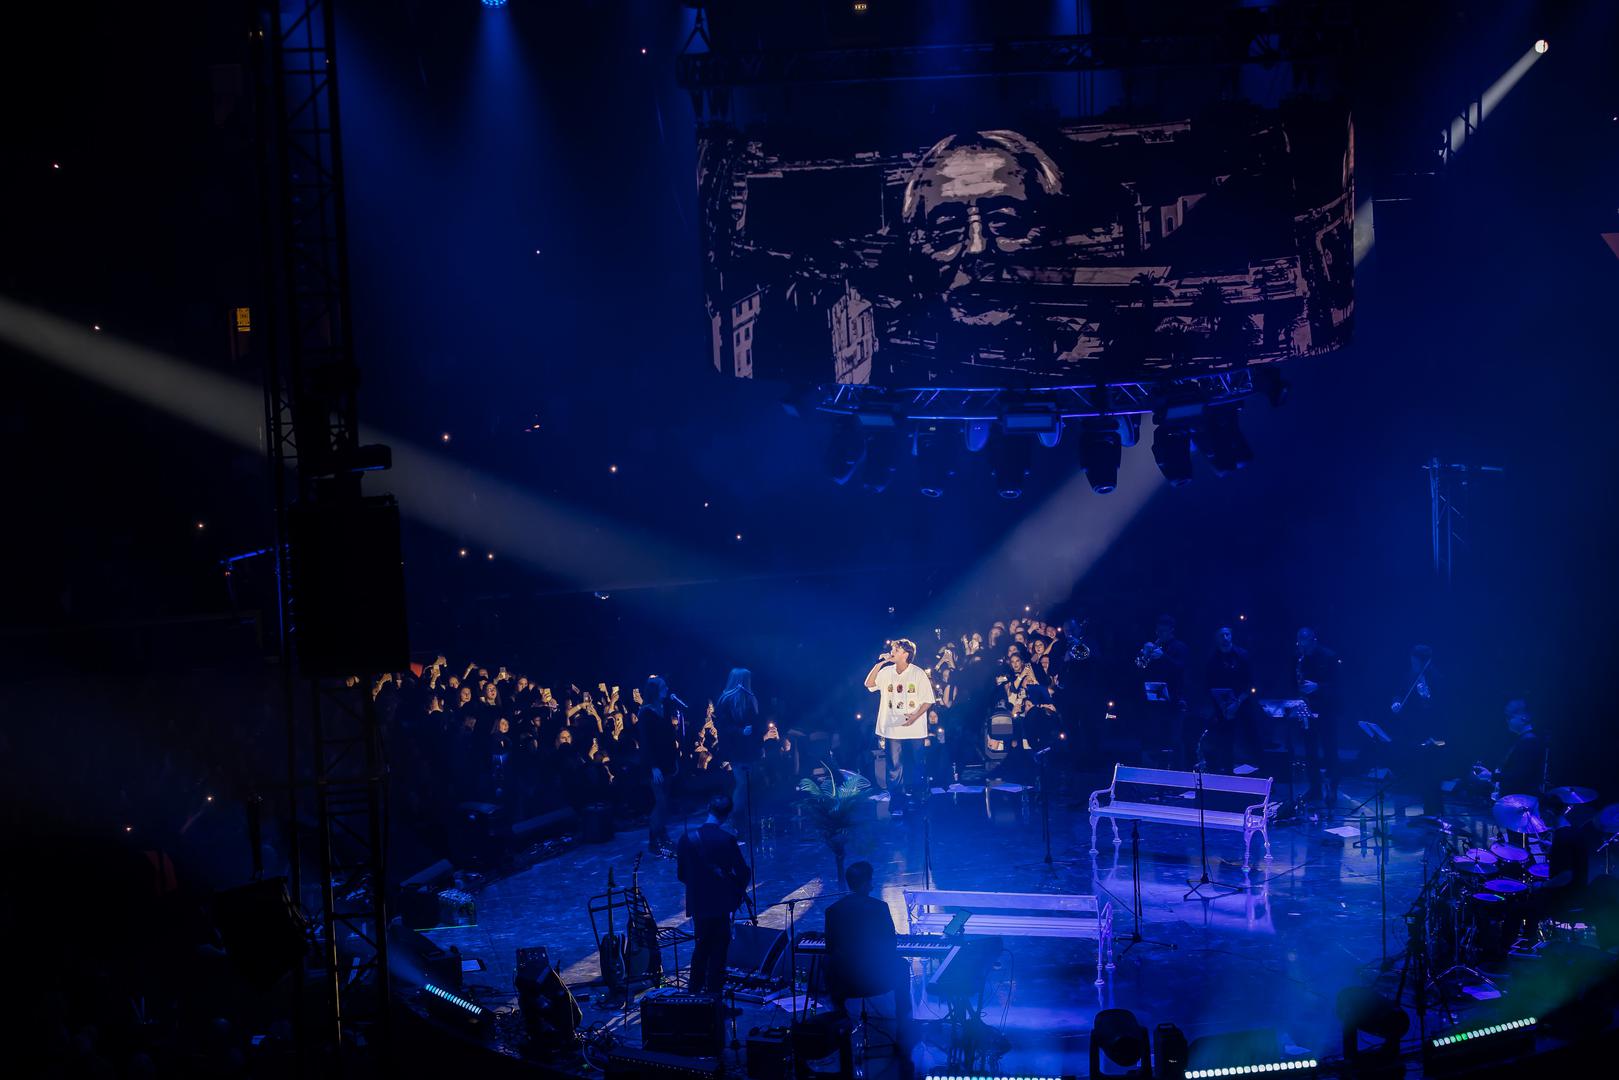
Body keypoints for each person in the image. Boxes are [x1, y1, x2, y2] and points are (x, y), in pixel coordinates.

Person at [823, 861, 913, 1078]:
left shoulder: (833, 910)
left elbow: (830, 947)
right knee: (902, 966)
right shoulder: (879, 908)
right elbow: (890, 946)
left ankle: (841, 1022)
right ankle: (904, 1030)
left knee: (829, 967)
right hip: (875, 980)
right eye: (871, 880)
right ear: (866, 883)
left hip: (845, 981)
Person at [676, 795, 752, 996]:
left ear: (708, 809)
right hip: (720, 904)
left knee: (701, 948)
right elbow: (743, 873)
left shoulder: (686, 839)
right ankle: (714, 1001)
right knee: (718, 952)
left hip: (699, 903)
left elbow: (682, 875)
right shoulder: (727, 840)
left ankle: (693, 996)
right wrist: (735, 893)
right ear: (727, 815)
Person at [863, 639, 935, 814]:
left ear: (906, 654)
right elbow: (869, 684)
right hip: (892, 727)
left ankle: (919, 797)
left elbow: (928, 700)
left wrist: (915, 717)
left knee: (917, 764)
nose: (892, 651)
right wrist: (880, 663)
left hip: (914, 726)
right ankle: (897, 801)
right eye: (893, 648)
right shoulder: (886, 671)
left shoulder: (917, 673)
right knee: (894, 767)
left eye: (897, 649)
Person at [1295, 627, 1342, 806]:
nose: (1302, 647)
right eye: (1299, 643)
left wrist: (1318, 687)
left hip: (1327, 710)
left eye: (1304, 643)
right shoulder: (1300, 658)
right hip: (1307, 710)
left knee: (1330, 750)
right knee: (1310, 751)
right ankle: (1314, 788)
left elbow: (1338, 686)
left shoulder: (1329, 657)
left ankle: (1333, 788)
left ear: (1313, 640)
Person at [638, 676, 680, 856]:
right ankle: (654, 840)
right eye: (663, 686)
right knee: (660, 801)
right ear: (655, 690)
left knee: (665, 801)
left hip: (668, 762)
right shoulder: (646, 713)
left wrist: (675, 759)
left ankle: (662, 834)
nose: (667, 688)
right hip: (654, 765)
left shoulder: (664, 708)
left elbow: (669, 738)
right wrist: (654, 766)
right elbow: (646, 742)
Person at [1204, 626, 1255, 773]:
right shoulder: (1212, 660)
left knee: (1250, 736)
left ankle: (1261, 774)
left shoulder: (1242, 655)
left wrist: (1237, 703)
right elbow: (1208, 685)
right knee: (1225, 740)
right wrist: (1221, 705)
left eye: (1227, 634)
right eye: (1221, 635)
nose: (1225, 638)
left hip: (1242, 703)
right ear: (1216, 639)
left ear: (1231, 636)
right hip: (1222, 706)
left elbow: (1250, 683)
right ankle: (1226, 771)